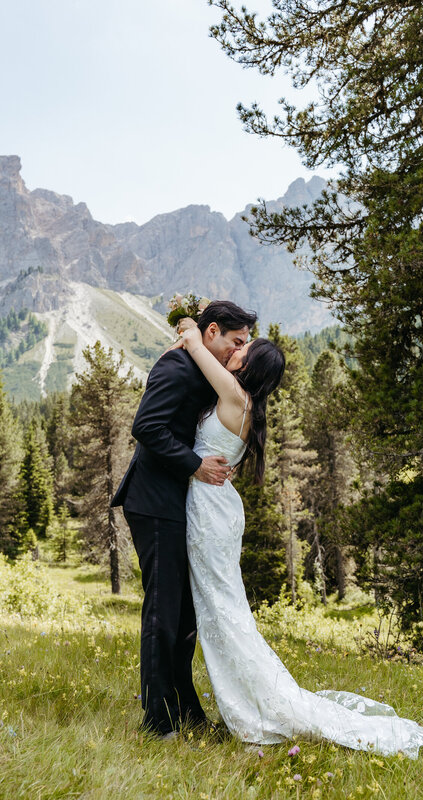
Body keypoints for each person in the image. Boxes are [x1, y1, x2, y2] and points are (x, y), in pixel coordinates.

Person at [174, 317, 423, 758]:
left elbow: (197, 348)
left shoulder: (235, 394)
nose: (240, 346)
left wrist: (191, 322)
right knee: (223, 611)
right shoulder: (244, 402)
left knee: (223, 613)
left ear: (249, 367)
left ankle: (258, 711)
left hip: (210, 513)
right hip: (215, 508)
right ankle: (249, 701)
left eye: (245, 347)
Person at [111, 300, 259, 739]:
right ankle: (158, 721)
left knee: (184, 616)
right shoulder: (176, 366)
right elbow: (147, 427)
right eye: (236, 341)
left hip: (181, 505)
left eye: (245, 345)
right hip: (155, 500)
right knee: (163, 612)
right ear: (212, 332)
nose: (239, 351)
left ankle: (185, 709)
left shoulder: (203, 366)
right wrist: (195, 464)